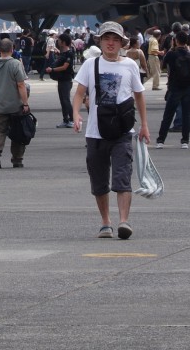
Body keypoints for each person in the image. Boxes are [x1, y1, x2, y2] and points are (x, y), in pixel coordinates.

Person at [70, 20, 149, 240]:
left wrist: (144, 125)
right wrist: (76, 114)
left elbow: (139, 96)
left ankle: (124, 221)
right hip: (95, 132)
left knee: (122, 177)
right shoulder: (90, 65)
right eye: (107, 39)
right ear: (100, 42)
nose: (111, 43)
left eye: (115, 39)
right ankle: (106, 222)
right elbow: (79, 93)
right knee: (99, 181)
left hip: (123, 131)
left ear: (122, 43)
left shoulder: (130, 65)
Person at [0, 37, 31, 169]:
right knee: (18, 132)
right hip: (15, 105)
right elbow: (21, 84)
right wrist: (25, 103)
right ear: (12, 49)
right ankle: (17, 159)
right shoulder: (16, 64)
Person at [155, 31, 190, 147]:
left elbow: (163, 66)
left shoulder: (171, 54)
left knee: (168, 115)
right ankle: (185, 141)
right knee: (186, 115)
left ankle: (161, 140)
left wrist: (171, 49)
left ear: (175, 41)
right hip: (188, 88)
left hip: (175, 87)